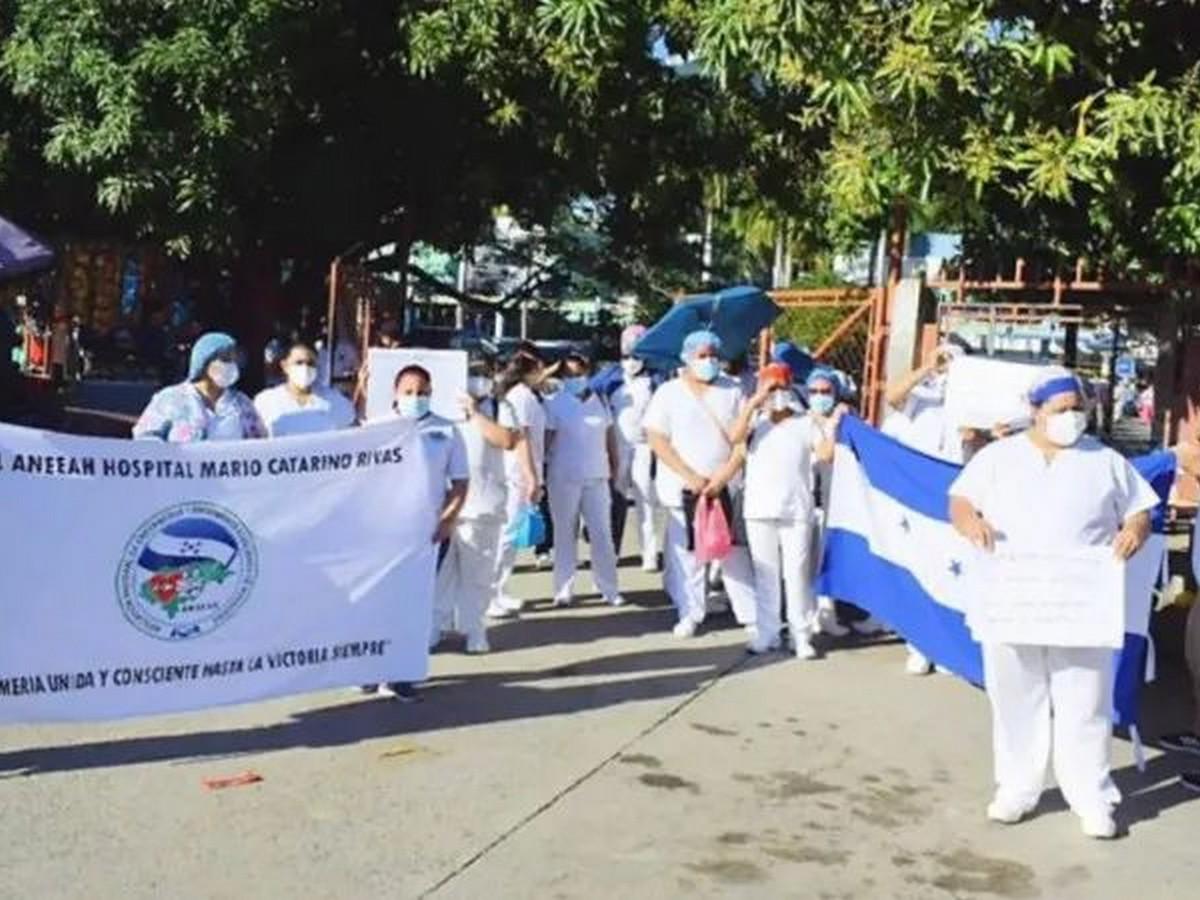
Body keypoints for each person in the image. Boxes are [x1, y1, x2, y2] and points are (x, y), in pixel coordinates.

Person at [948, 366, 1157, 839]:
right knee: (1015, 695)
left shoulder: (1104, 459)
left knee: (1084, 699)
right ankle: (1017, 789)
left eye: (1078, 408)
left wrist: (1132, 531)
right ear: (1036, 411)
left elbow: (1140, 509)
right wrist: (970, 524)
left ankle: (1092, 796)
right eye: (1061, 409)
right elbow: (960, 501)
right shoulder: (999, 457)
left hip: (1080, 600)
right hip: (1013, 594)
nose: (1072, 417)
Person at [364, 364, 469, 701]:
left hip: (427, 534)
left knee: (414, 605)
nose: (416, 397)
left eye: (422, 391)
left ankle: (402, 673)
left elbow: (461, 483)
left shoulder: (446, 430)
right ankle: (368, 668)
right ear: (395, 393)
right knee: (377, 602)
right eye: (409, 391)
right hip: (382, 534)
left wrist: (447, 518)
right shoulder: (376, 429)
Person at [644, 330, 757, 638]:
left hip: (724, 485)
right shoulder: (668, 392)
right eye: (701, 356)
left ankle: (750, 614)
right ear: (687, 357)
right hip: (684, 488)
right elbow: (657, 438)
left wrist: (723, 476)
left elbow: (742, 440)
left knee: (730, 550)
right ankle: (691, 612)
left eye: (712, 356)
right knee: (689, 554)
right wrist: (689, 476)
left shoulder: (733, 391)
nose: (708, 361)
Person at [730, 362, 834, 658]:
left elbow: (825, 454)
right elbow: (733, 437)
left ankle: (801, 635)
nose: (777, 394)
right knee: (766, 573)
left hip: (796, 509)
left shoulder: (805, 422)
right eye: (770, 388)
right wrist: (753, 402)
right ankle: (767, 632)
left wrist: (824, 422)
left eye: (781, 387)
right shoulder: (755, 422)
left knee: (797, 573)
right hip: (759, 509)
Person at [432, 360, 517, 654]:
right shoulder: (442, 408)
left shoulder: (501, 407)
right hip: (444, 504)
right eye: (471, 375)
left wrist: (475, 413)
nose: (477, 381)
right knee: (441, 573)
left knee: (477, 573)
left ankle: (474, 629)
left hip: (483, 504)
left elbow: (506, 440)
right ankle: (436, 626)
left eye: (482, 375)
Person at [544, 353, 625, 608]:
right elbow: (545, 441)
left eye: (578, 374)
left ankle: (608, 587)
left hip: (597, 475)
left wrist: (615, 465)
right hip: (563, 476)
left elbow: (610, 436)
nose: (574, 379)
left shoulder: (599, 401)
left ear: (587, 374)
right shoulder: (553, 402)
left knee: (602, 533)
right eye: (568, 375)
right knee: (564, 534)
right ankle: (563, 589)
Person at [488, 353, 545, 618]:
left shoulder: (527, 396)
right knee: (507, 535)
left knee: (511, 536)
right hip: (518, 473)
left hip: (525, 471)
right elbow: (521, 439)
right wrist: (530, 476)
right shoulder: (520, 398)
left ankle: (500, 590)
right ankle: (490, 593)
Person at [133, 331, 267, 442]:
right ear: (204, 363)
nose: (231, 365)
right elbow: (144, 439)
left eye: (234, 359)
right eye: (225, 359)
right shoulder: (170, 399)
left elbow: (260, 444)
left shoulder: (241, 403)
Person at [609, 325, 660, 571]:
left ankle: (648, 553)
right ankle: (613, 549)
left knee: (645, 499)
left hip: (644, 445)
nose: (631, 362)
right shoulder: (612, 379)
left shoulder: (654, 381)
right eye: (626, 356)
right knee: (615, 499)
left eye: (636, 357)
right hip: (618, 445)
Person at [253, 342, 357, 437]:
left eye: (310, 363)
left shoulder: (335, 401)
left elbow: (351, 436)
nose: (305, 368)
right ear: (285, 366)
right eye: (299, 362)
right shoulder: (266, 401)